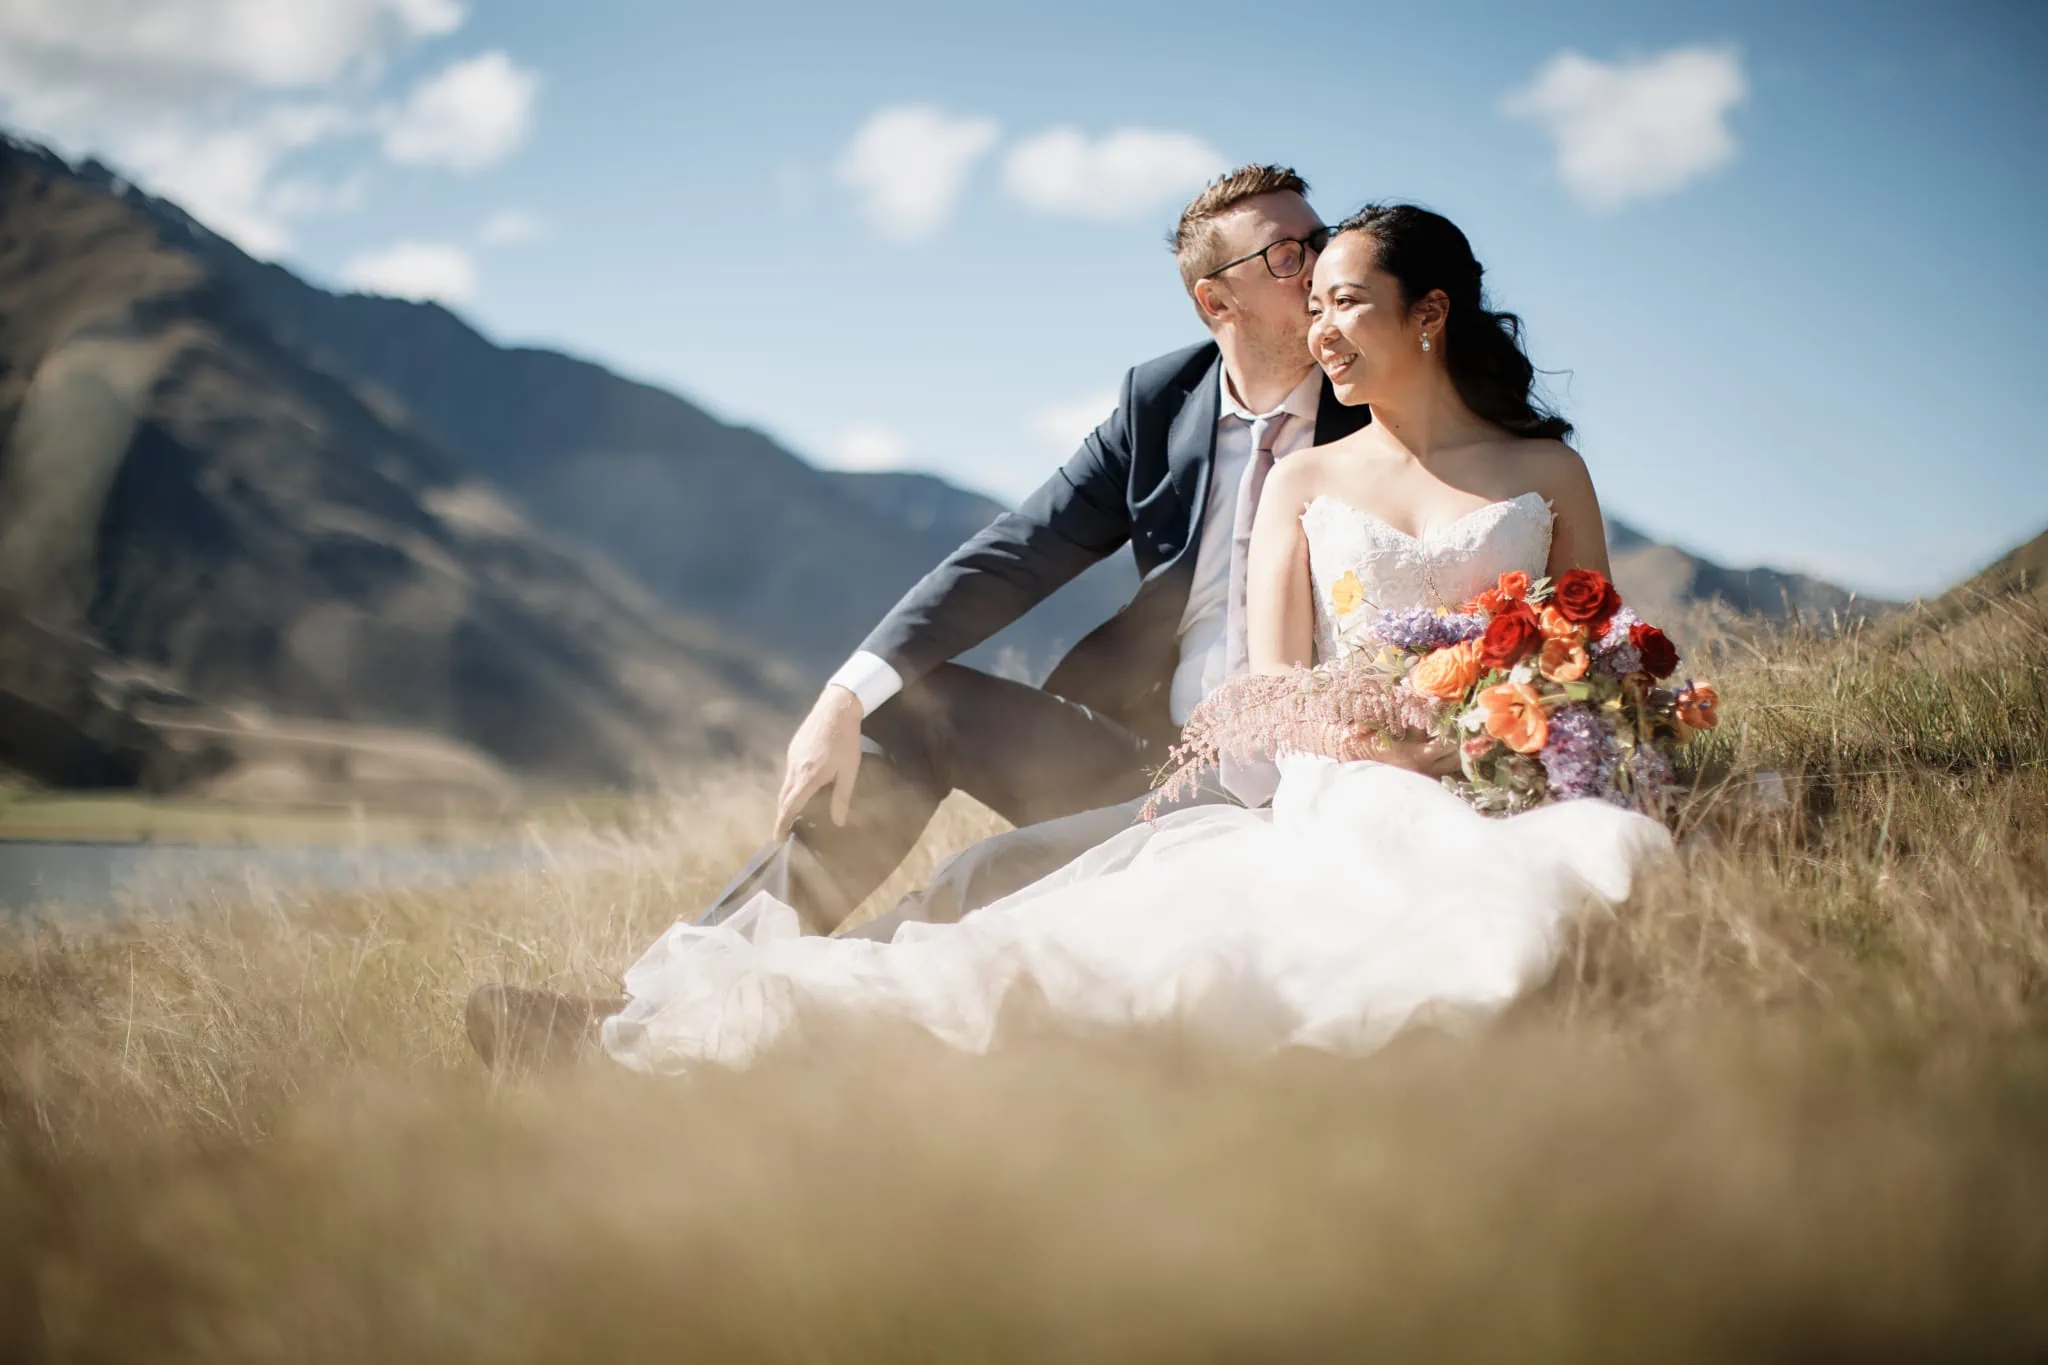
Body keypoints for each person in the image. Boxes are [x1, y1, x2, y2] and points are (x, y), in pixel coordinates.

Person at [593, 204, 1676, 1073]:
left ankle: (759, 1029)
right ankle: (680, 993)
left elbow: (1566, 611)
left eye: (1327, 262)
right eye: (1289, 256)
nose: (1314, 285)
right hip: (1157, 756)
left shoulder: (1384, 405)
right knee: (914, 719)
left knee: (987, 882)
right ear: (1221, 298)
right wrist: (841, 695)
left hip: (1302, 776)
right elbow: (1010, 554)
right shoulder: (1161, 405)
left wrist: (1493, 729)